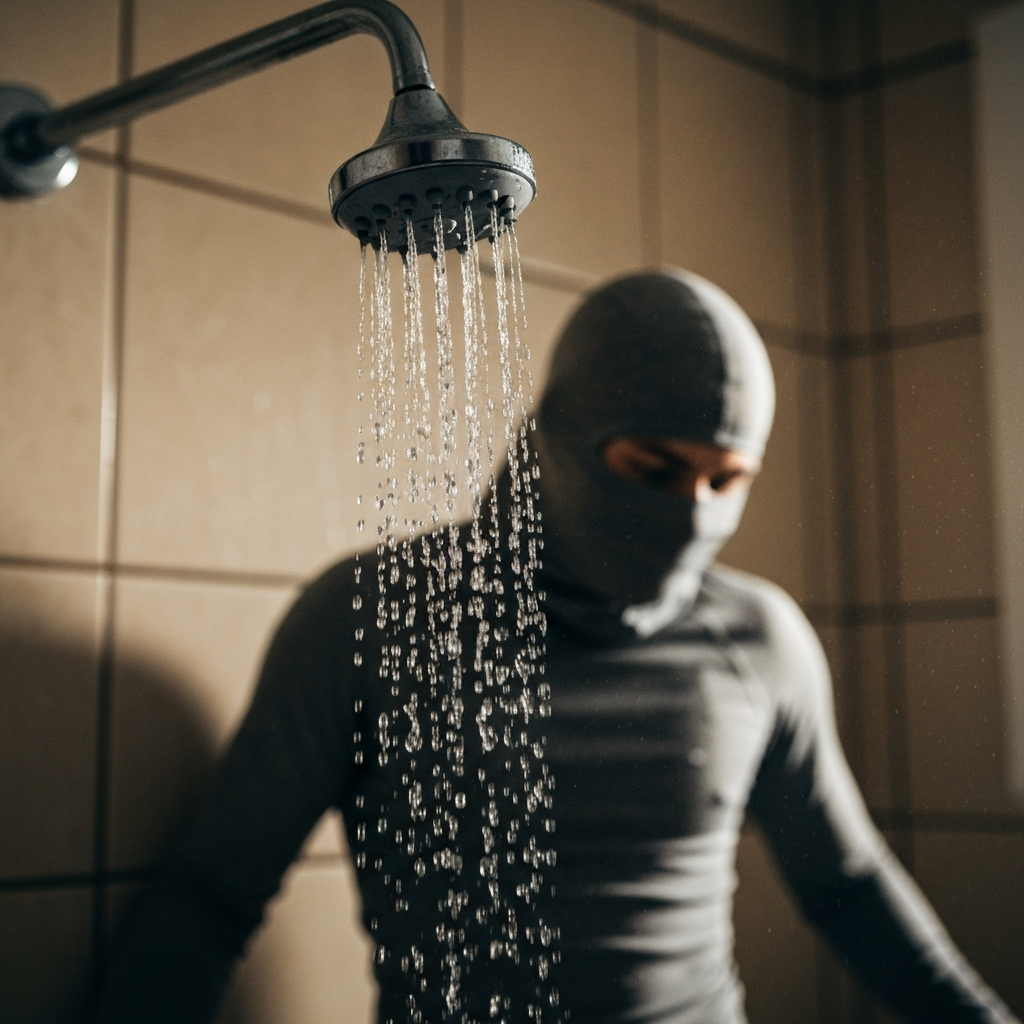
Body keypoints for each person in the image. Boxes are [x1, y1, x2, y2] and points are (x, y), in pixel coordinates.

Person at [96, 269, 1018, 1024]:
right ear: (562, 438)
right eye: (652, 469)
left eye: (726, 480)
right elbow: (210, 898)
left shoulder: (759, 637)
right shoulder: (373, 617)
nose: (690, 515)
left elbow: (849, 886)